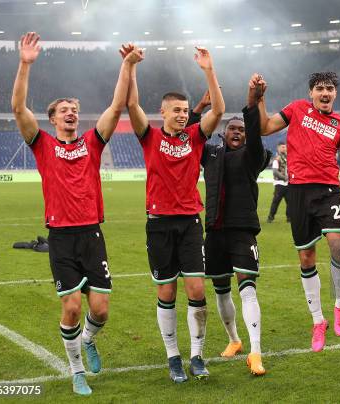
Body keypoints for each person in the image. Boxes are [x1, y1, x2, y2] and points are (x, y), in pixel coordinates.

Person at [11, 32, 141, 395]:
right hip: (62, 237)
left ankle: (88, 339)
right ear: (52, 118)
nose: (71, 112)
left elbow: (116, 108)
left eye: (74, 108)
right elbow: (19, 110)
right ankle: (77, 370)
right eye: (63, 109)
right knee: (70, 308)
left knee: (100, 311)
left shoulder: (91, 143)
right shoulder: (43, 145)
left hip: (91, 234)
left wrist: (126, 66)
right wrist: (25, 64)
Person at [124, 44, 225, 382]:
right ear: (163, 112)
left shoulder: (195, 137)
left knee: (196, 290)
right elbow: (130, 104)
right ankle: (173, 357)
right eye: (177, 110)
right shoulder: (149, 137)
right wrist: (132, 67)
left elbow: (219, 111)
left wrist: (209, 71)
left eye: (185, 110)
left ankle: (197, 356)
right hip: (159, 226)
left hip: (190, 224)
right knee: (166, 292)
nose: (183, 114)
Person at [259, 72, 340, 352]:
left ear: (335, 94)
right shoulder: (296, 110)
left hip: (328, 191)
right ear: (311, 93)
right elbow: (265, 127)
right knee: (306, 257)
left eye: (329, 89)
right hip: (299, 192)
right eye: (319, 89)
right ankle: (318, 321)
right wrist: (261, 98)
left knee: (338, 247)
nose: (325, 93)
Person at [202, 74, 271, 376]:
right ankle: (234, 341)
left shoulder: (253, 155)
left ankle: (255, 353)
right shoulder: (211, 154)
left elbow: (256, 135)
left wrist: (251, 103)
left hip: (243, 231)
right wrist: (201, 107)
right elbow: (191, 137)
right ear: (223, 132)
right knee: (220, 291)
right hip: (214, 231)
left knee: (247, 290)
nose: (238, 133)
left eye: (242, 130)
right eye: (232, 128)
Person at [267, 141, 291, 223]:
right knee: (276, 202)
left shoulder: (288, 158)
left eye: (285, 147)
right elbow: (275, 172)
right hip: (279, 184)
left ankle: (289, 218)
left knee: (290, 203)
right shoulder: (276, 159)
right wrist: (285, 178)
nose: (284, 148)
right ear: (278, 148)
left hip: (288, 184)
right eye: (282, 147)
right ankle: (270, 217)